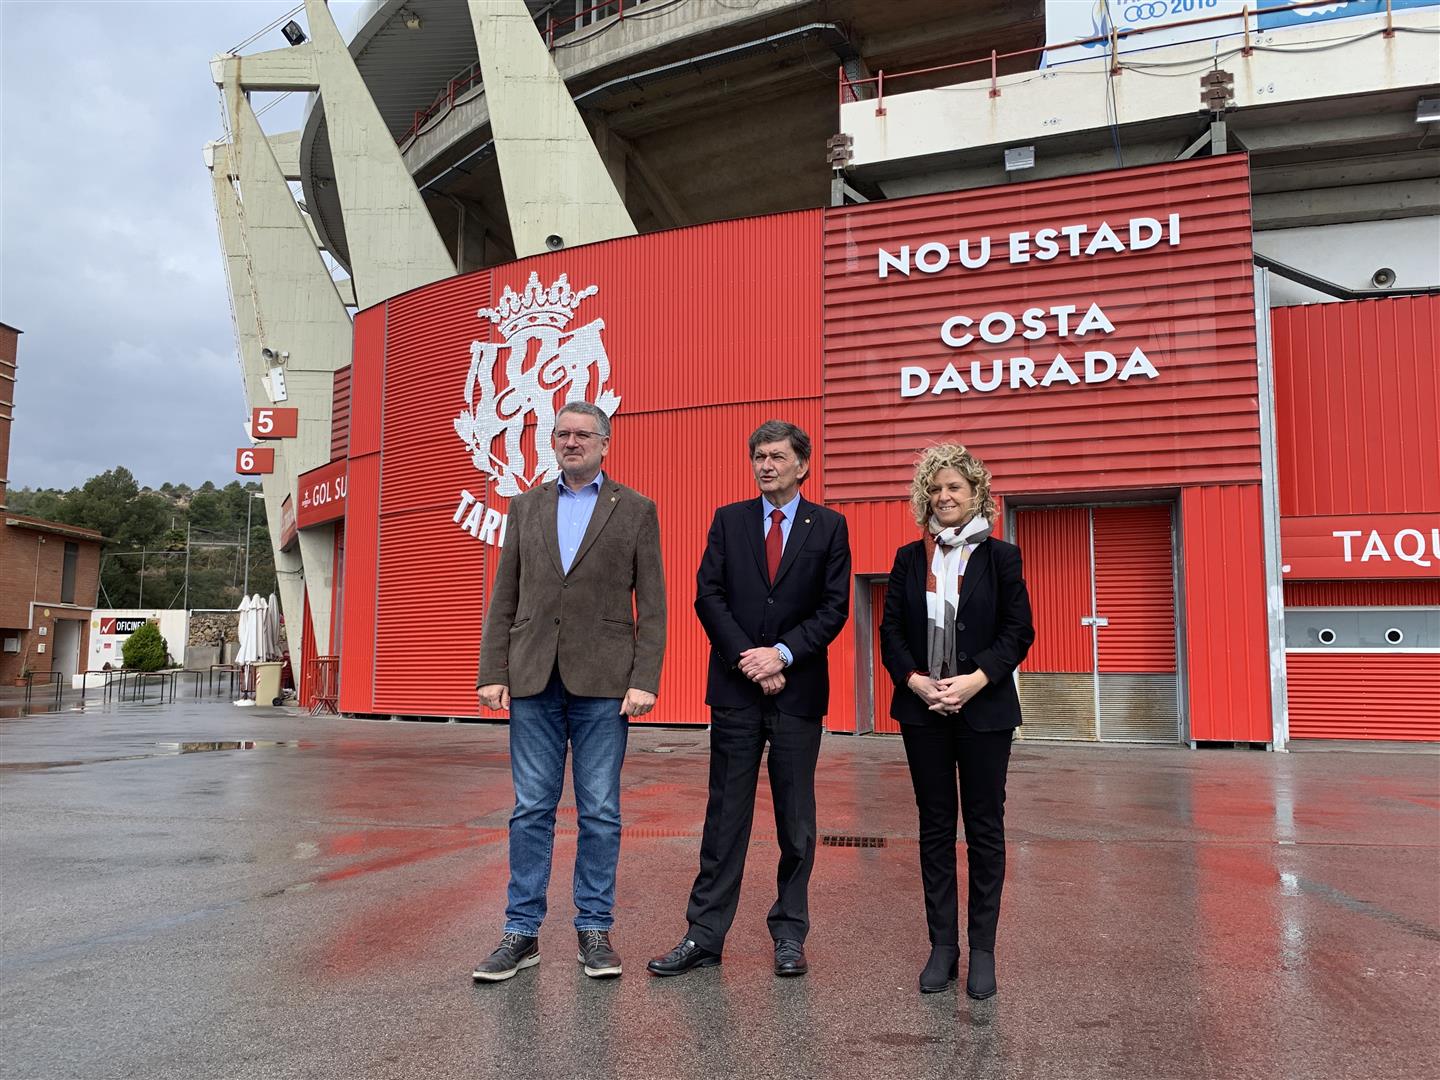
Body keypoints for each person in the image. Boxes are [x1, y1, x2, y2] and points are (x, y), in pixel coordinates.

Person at [472, 400, 666, 982]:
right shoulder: (525, 506)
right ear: (551, 442)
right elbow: (504, 593)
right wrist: (492, 669)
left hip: (605, 684)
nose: (572, 442)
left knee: (601, 811)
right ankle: (521, 933)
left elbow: (652, 605)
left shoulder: (635, 510)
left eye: (584, 434)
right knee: (530, 808)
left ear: (606, 444)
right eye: (563, 434)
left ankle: (594, 930)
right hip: (533, 678)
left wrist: (645, 680)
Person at [648, 420, 850, 979]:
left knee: (796, 821)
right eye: (758, 456)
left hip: (798, 692)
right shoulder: (729, 521)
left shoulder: (829, 526)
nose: (766, 465)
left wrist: (782, 655)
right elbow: (708, 595)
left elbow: (834, 608)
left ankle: (789, 934)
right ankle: (704, 936)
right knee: (725, 817)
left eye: (777, 456)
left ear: (802, 465)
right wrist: (751, 659)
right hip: (737, 692)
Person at [879, 443, 1034, 998]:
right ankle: (943, 947)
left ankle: (983, 950)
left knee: (986, 831)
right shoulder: (908, 558)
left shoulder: (1001, 557)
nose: (944, 497)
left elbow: (1018, 632)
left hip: (984, 710)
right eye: (935, 488)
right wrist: (916, 682)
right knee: (936, 829)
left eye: (955, 488)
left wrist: (975, 680)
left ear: (975, 495)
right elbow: (891, 632)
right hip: (924, 711)